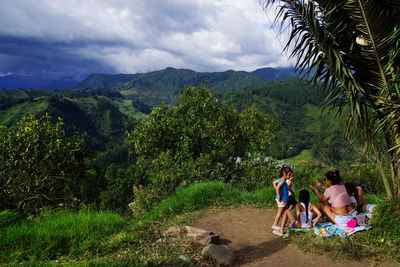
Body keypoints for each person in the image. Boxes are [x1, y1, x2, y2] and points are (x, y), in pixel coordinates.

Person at [271, 165, 293, 231]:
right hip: (282, 200)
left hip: (284, 199)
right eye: (289, 175)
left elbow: (276, 185)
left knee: (286, 211)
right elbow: (278, 188)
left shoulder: (282, 179)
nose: (289, 176)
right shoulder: (283, 181)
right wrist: (279, 196)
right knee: (280, 212)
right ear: (284, 174)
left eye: (290, 175)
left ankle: (285, 222)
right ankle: (274, 225)